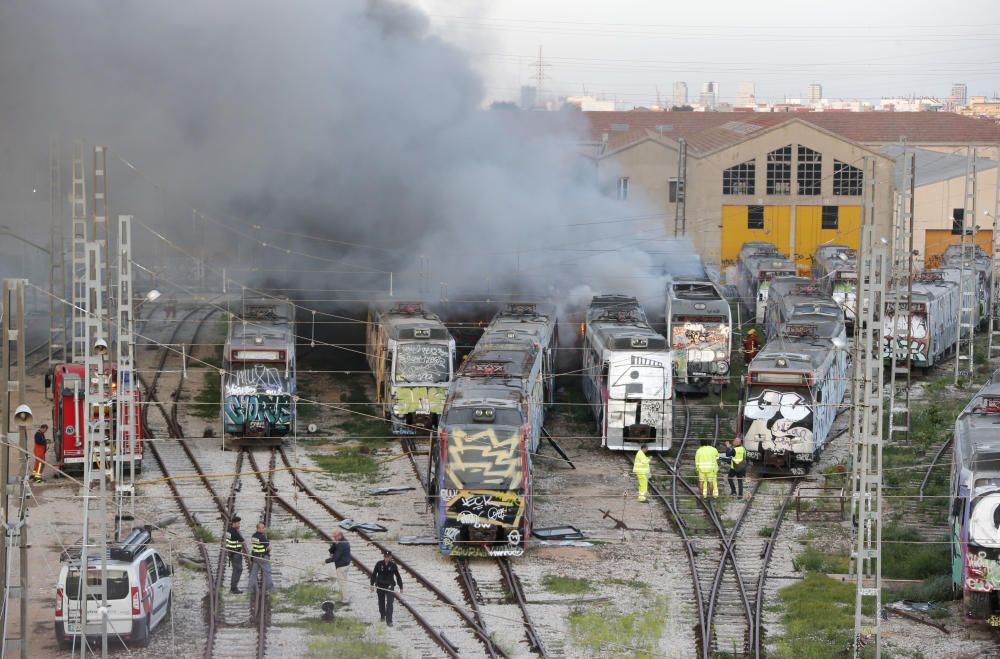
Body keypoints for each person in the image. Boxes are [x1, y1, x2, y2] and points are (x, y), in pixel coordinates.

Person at [370, 549, 403, 626]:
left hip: (389, 585)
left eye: (388, 557)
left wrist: (401, 586)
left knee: (390, 603)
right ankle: (382, 615)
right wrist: (371, 584)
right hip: (380, 585)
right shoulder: (379, 564)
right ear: (384, 557)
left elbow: (398, 576)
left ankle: (389, 620)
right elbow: (374, 574)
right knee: (381, 601)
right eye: (385, 557)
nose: (386, 558)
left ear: (391, 557)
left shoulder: (393, 565)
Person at [325, 530, 351, 604]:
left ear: (340, 536)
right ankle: (343, 598)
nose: (334, 538)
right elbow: (331, 550)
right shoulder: (342, 541)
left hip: (342, 566)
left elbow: (336, 557)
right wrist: (334, 544)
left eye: (335, 537)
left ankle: (345, 600)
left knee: (342, 583)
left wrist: (326, 561)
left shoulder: (341, 544)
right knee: (343, 582)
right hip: (345, 564)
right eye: (333, 537)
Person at [248, 522, 274, 594]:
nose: (264, 529)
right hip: (263, 558)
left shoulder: (253, 536)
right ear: (258, 528)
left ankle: (249, 590)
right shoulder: (262, 537)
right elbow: (268, 547)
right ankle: (271, 589)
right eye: (262, 528)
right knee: (268, 573)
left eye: (264, 527)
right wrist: (269, 549)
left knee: (253, 574)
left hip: (255, 557)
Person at [225, 516, 246, 594]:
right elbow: (243, 541)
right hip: (236, 554)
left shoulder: (228, 531)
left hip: (231, 553)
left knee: (235, 570)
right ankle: (233, 588)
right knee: (238, 570)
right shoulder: (235, 532)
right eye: (238, 523)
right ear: (234, 523)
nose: (239, 524)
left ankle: (233, 587)